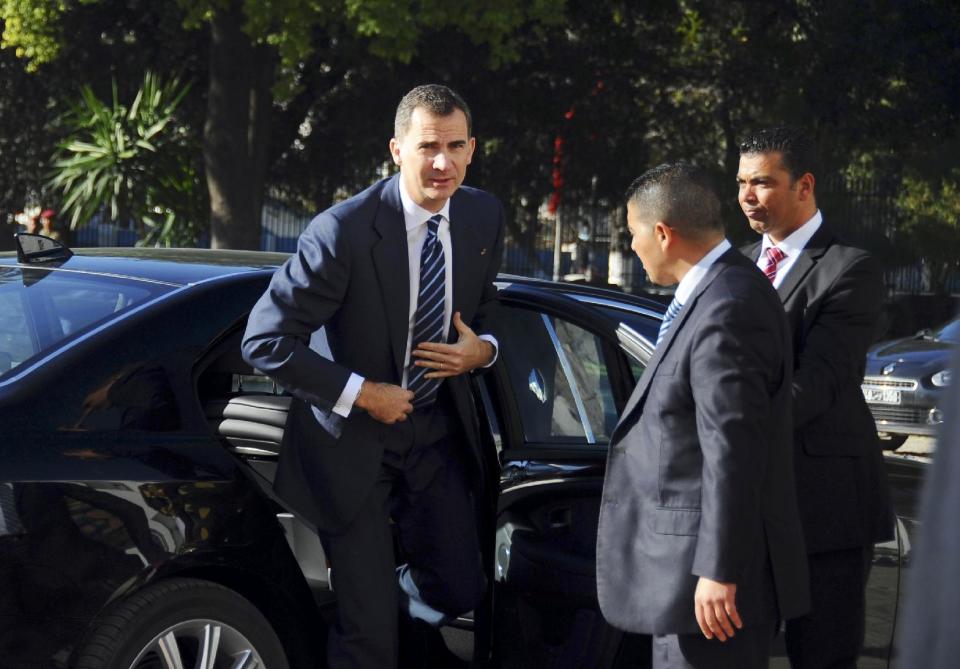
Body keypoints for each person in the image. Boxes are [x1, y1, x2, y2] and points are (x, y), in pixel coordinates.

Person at [242, 84, 504, 669]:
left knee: (462, 589)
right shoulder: (343, 232)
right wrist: (364, 395)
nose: (443, 163)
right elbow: (263, 341)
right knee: (369, 640)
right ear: (396, 149)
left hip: (435, 437)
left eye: (456, 146)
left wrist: (479, 353)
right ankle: (369, 623)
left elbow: (486, 316)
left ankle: (381, 609)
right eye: (427, 147)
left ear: (472, 148)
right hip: (353, 446)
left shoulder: (484, 214)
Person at [596, 162, 809, 668]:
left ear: (663, 234)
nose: (632, 247)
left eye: (632, 234)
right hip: (689, 586)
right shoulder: (720, 292)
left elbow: (732, 450)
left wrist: (718, 570)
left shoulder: (728, 306)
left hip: (710, 594)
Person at [737, 126, 894, 669]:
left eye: (762, 183)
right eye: (741, 183)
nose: (747, 197)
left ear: (804, 185)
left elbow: (821, 381)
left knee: (821, 657)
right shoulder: (733, 263)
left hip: (825, 509)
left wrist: (728, 422)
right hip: (748, 505)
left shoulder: (850, 268)